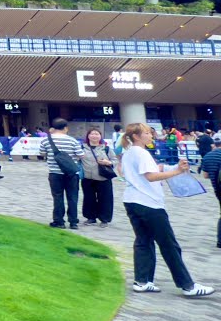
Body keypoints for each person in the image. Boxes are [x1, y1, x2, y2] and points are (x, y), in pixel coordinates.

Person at [119, 123, 213, 297]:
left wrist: (163, 168)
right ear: (137, 136)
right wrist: (177, 171)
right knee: (168, 244)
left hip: (132, 201)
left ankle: (142, 281)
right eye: (147, 133)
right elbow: (151, 176)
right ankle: (187, 285)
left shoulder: (129, 153)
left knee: (143, 241)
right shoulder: (141, 153)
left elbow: (138, 173)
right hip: (149, 204)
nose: (151, 135)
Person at [40, 118, 83, 229]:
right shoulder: (72, 140)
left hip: (54, 173)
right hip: (71, 173)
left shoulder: (46, 140)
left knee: (57, 197)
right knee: (73, 197)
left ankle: (59, 221)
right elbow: (81, 155)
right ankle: (73, 222)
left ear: (53, 128)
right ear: (66, 128)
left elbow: (42, 153)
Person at [79, 127, 116, 227]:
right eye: (92, 134)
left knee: (105, 199)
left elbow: (115, 160)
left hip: (103, 178)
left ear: (100, 136)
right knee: (89, 198)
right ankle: (91, 217)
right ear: (88, 136)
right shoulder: (82, 148)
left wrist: (108, 162)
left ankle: (105, 219)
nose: (94, 136)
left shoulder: (106, 148)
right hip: (87, 178)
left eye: (97, 134)